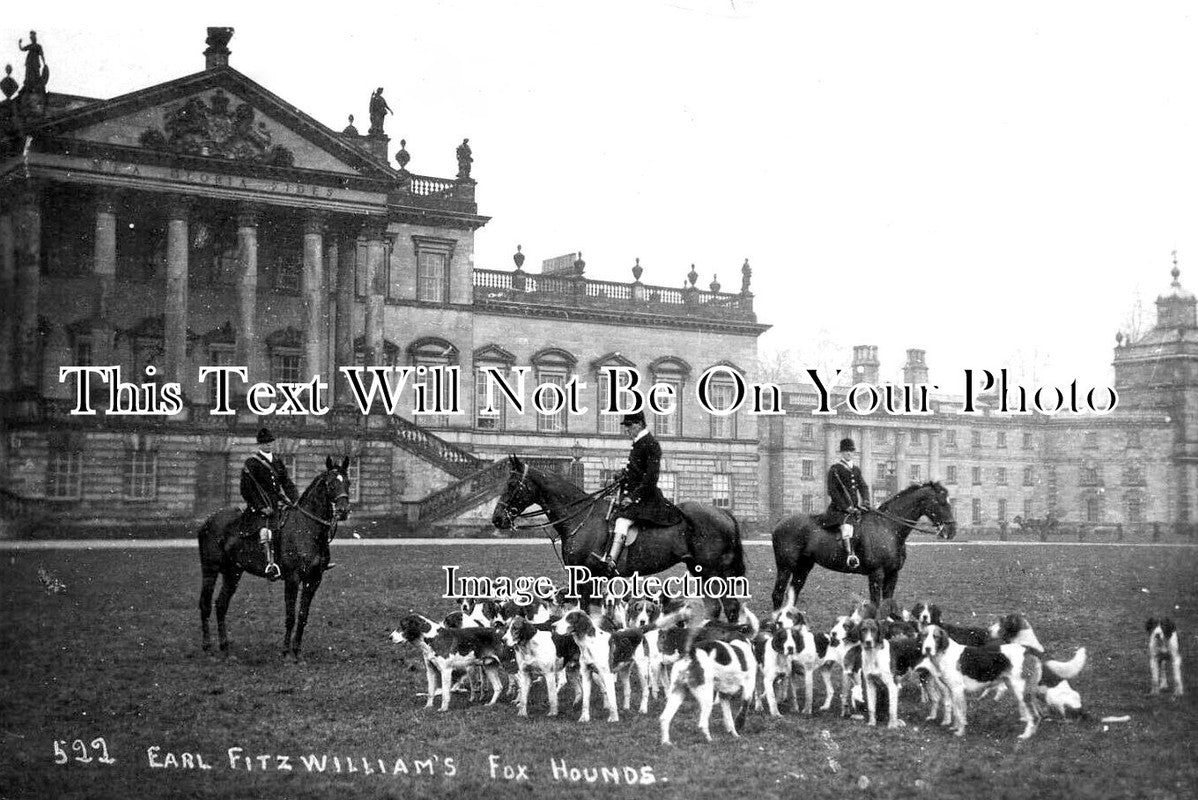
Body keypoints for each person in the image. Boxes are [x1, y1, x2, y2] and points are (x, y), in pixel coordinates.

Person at [595, 410, 683, 573]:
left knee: (622, 522)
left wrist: (633, 497)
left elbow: (650, 478)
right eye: (626, 426)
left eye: (629, 425)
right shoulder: (639, 442)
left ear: (639, 424)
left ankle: (611, 562)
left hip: (645, 498)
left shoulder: (650, 444)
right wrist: (623, 475)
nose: (627, 430)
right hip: (636, 496)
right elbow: (637, 471)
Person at [239, 427, 298, 580]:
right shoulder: (252, 463)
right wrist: (261, 507)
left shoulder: (277, 462)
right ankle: (270, 565)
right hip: (260, 508)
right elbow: (246, 489)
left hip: (276, 505)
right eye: (265, 443)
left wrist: (296, 500)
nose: (268, 445)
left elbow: (286, 483)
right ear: (259, 444)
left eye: (270, 442)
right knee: (266, 533)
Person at [825, 437, 870, 569]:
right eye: (846, 451)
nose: (849, 453)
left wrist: (865, 501)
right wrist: (846, 507)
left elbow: (863, 487)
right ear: (842, 453)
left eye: (851, 451)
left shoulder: (856, 469)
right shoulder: (835, 469)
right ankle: (850, 555)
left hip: (855, 508)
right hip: (839, 509)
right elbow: (833, 491)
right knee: (847, 526)